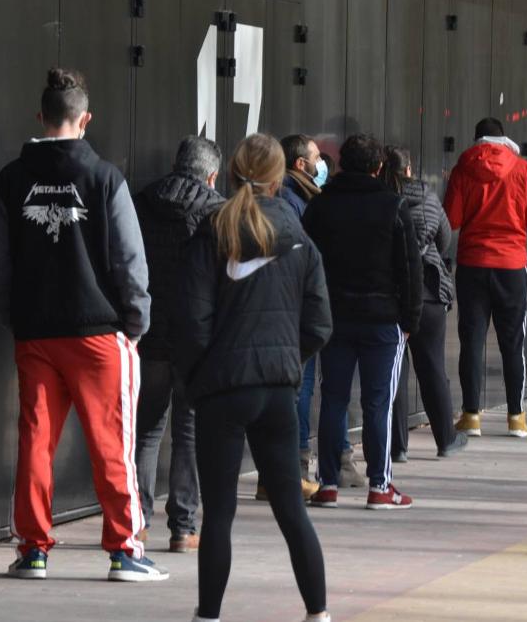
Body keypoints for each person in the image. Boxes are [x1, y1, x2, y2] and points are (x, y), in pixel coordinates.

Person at [0, 69, 165, 581]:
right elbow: (131, 261)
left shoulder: (9, 179)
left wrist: (16, 319)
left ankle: (34, 551)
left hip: (36, 335)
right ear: (85, 119)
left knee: (36, 442)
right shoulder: (105, 177)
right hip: (98, 334)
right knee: (113, 443)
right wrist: (134, 324)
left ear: (40, 117)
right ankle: (124, 552)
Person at [175, 134, 332, 622]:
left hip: (222, 388)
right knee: (291, 510)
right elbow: (320, 323)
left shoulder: (212, 231)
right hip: (278, 390)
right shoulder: (300, 236)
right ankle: (318, 613)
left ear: (235, 172)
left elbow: (192, 321)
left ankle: (209, 615)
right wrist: (289, 361)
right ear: (279, 177)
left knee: (219, 513)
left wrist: (200, 377)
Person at [303, 134, 422, 509]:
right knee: (378, 402)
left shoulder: (320, 207)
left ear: (339, 165)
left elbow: (309, 262)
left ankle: (327, 484)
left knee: (333, 399)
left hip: (334, 318)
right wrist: (409, 319)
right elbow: (410, 267)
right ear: (378, 167)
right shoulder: (393, 206)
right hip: (383, 319)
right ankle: (379, 485)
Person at [133, 136, 224, 554]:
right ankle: (184, 529)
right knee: (188, 433)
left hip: (149, 333)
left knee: (147, 429)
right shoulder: (217, 210)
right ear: (211, 173)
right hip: (193, 338)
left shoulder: (142, 200)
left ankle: (136, 522)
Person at [444, 118, 527, 438]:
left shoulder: (463, 168)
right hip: (512, 265)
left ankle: (471, 415)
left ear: (477, 140)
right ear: (504, 138)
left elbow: (452, 219)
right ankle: (516, 417)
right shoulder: (522, 169)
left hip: (473, 264)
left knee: (471, 341)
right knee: (512, 341)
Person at [277, 134, 364, 491]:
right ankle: (301, 462)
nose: (321, 163)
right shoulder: (292, 199)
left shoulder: (305, 196)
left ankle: (332, 457)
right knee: (306, 385)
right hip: (303, 308)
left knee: (322, 386)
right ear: (301, 164)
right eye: (316, 157)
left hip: (314, 304)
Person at [382, 146, 469, 458]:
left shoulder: (383, 199)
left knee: (394, 372)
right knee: (432, 366)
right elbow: (445, 239)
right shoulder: (429, 197)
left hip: (390, 293)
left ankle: (397, 447)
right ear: (409, 169)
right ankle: (446, 439)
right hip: (429, 290)